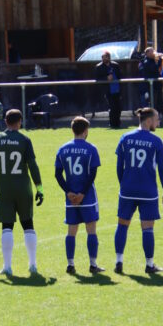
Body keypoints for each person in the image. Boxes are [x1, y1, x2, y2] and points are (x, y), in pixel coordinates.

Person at [0, 109, 43, 277]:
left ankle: (7, 267)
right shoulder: (25, 140)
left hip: (4, 189)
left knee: (7, 226)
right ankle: (33, 265)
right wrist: (39, 188)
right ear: (20, 122)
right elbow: (33, 165)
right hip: (23, 188)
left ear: (5, 121)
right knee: (28, 224)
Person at [113, 108, 163, 275]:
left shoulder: (125, 137)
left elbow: (119, 166)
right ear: (148, 121)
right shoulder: (156, 141)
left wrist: (124, 183)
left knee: (122, 225)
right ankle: (149, 265)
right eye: (157, 119)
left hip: (128, 189)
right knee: (148, 228)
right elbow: (162, 169)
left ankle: (119, 261)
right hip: (148, 191)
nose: (158, 122)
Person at [55, 117, 103, 274]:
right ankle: (93, 265)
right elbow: (93, 174)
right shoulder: (91, 149)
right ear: (85, 131)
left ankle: (70, 264)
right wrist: (82, 193)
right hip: (87, 197)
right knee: (91, 229)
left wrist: (68, 191)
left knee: (71, 231)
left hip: (71, 199)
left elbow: (57, 174)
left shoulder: (63, 149)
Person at [94, 52, 122, 129]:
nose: (105, 58)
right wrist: (106, 78)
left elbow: (120, 76)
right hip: (107, 90)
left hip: (117, 89)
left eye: (106, 57)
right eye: (103, 57)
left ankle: (118, 123)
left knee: (118, 107)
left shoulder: (115, 65)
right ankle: (112, 123)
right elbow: (97, 79)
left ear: (109, 57)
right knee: (112, 107)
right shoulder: (99, 67)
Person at [139, 48, 163, 122]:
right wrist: (157, 59)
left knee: (161, 104)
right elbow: (153, 69)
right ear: (147, 53)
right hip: (151, 86)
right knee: (154, 104)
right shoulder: (145, 61)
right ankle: (153, 121)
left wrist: (159, 60)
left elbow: (157, 67)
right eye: (152, 51)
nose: (154, 53)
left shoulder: (152, 60)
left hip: (157, 86)